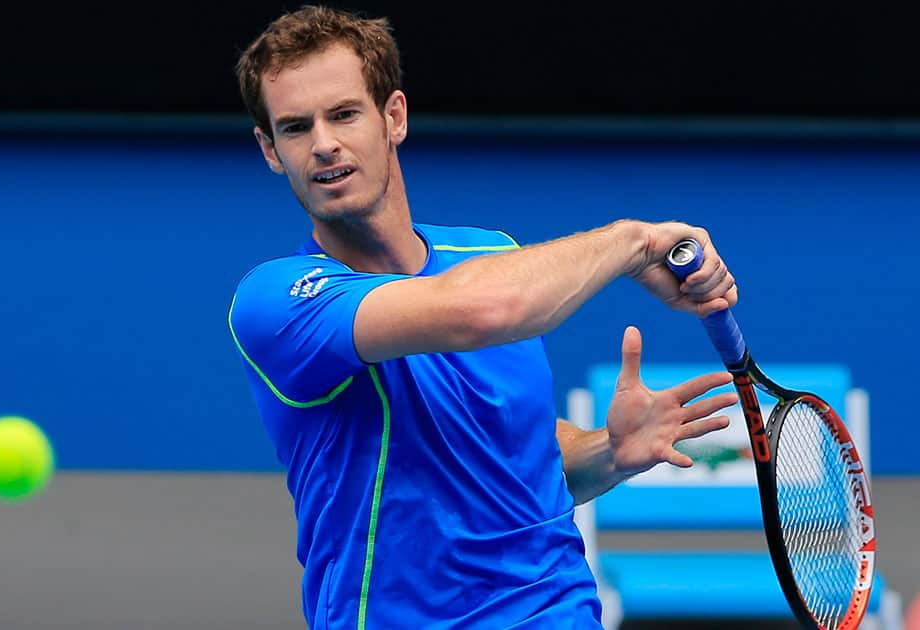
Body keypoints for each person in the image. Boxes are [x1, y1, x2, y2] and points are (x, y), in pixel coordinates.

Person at [229, 6, 739, 629]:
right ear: (271, 150)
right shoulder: (277, 301)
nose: (324, 143)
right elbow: (481, 310)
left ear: (394, 117)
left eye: (343, 114)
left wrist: (611, 451)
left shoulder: (493, 253)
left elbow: (509, 450)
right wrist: (633, 243)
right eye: (295, 127)